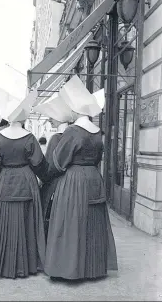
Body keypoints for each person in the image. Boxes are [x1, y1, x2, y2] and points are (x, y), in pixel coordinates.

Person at [44, 75, 117, 281]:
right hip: (94, 177)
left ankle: (68, 268)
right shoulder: (96, 132)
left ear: (75, 111)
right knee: (92, 222)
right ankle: (92, 268)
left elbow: (59, 161)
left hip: (74, 180)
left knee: (70, 221)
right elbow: (99, 156)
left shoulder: (73, 131)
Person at [0, 89, 48, 279]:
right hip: (26, 180)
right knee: (27, 221)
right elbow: (39, 164)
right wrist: (44, 178)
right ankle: (26, 264)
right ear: (23, 118)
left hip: (4, 180)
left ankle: (1, 263)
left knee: (2, 221)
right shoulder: (29, 137)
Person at [33, 94, 70, 241]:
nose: (49, 120)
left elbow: (48, 166)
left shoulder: (56, 138)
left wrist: (42, 180)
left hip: (55, 185)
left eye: (52, 117)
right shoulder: (71, 134)